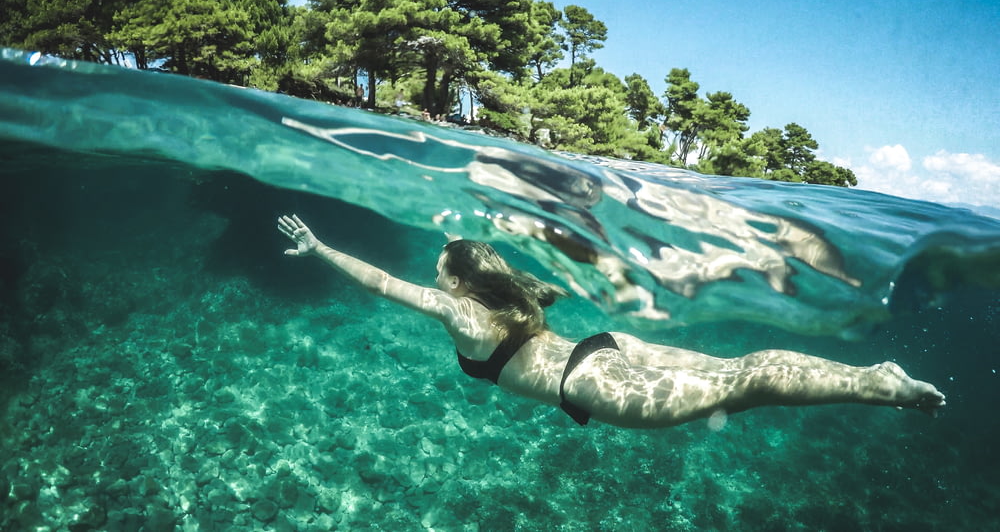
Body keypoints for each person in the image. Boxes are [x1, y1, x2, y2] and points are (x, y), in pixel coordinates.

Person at [277, 214, 946, 429]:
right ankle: (870, 376)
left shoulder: (458, 308)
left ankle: (877, 385)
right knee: (735, 374)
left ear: (454, 281)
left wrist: (318, 249)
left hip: (591, 383)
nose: (430, 275)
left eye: (437, 267)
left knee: (747, 384)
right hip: (604, 347)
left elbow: (381, 282)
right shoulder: (515, 294)